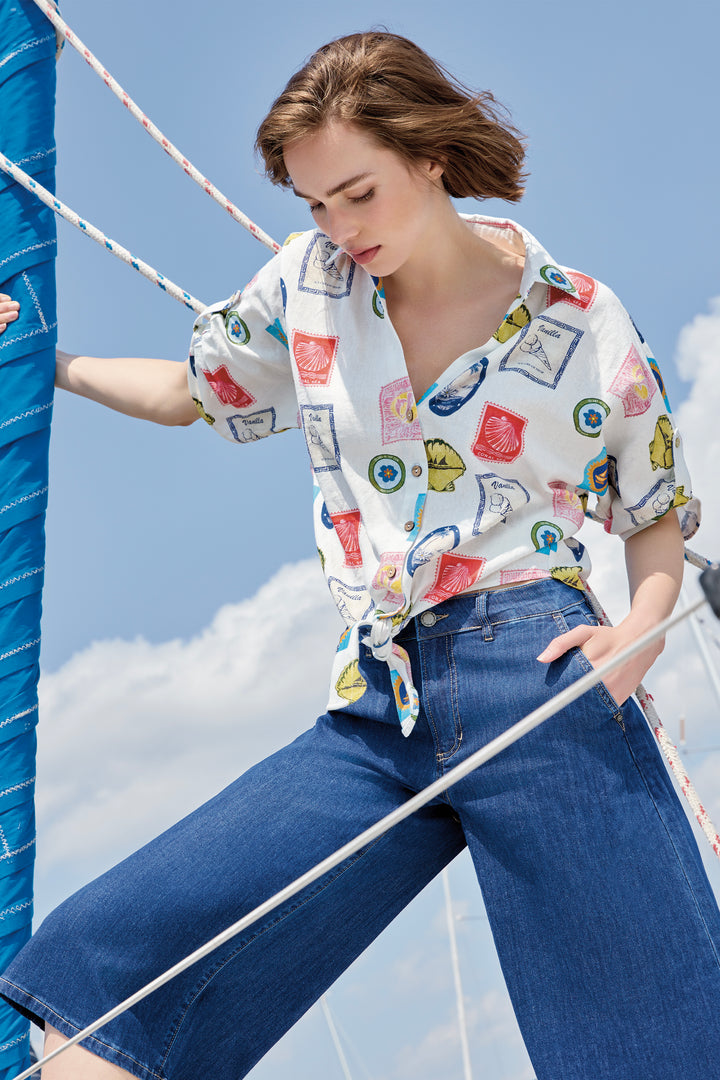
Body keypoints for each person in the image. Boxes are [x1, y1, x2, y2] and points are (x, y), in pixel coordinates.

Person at [1, 30, 719, 1080]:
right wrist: (38, 361)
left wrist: (639, 638)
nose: (338, 227)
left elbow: (654, 512)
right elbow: (190, 394)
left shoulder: (580, 315)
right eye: (314, 205)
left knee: (656, 1057)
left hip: (544, 680)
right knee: (101, 983)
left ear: (429, 155)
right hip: (379, 708)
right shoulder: (309, 286)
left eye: (357, 194)